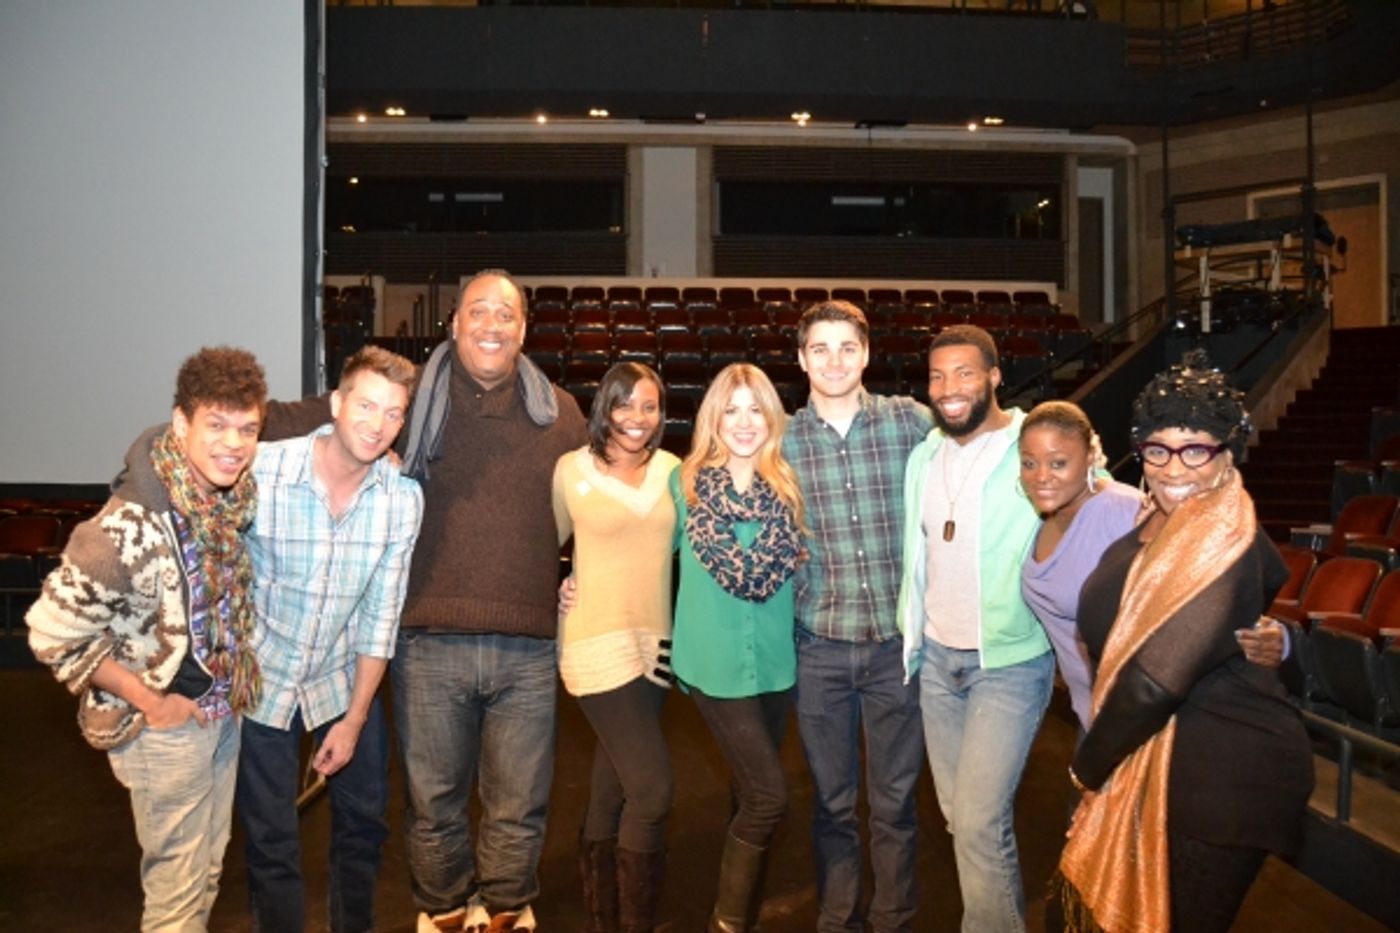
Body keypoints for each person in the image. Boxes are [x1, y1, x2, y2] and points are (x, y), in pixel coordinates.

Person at [1054, 350, 1314, 932]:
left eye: (1196, 449)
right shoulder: (1153, 520)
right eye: (1158, 449)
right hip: (1158, 760)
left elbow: (1153, 682)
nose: (1175, 468)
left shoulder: (1224, 540)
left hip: (1223, 778)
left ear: (1226, 454)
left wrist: (1086, 773)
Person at [27, 346, 267, 932]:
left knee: (206, 875)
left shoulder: (227, 501)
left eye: (248, 428)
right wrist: (150, 700)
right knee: (176, 896)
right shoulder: (123, 525)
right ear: (181, 422)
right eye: (216, 424)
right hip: (166, 730)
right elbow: (48, 634)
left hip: (219, 716)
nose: (233, 443)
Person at [394, 269, 587, 933]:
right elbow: (332, 420)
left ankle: (505, 905)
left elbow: (592, 505)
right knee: (433, 800)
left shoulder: (560, 413)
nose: (492, 324)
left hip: (527, 642)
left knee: (518, 801)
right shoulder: (410, 400)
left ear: (524, 329)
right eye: (478, 311)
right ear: (454, 323)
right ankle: (444, 906)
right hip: (426, 637)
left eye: (506, 314)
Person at [237, 345, 424, 933]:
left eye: (393, 413)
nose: (378, 424)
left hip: (343, 679)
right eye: (367, 406)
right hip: (263, 676)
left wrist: (353, 720)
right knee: (271, 840)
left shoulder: (402, 500)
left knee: (365, 822)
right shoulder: (261, 472)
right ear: (338, 404)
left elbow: (380, 617)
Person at [895, 324, 1054, 933]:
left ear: (993, 376)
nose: (948, 388)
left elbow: (1092, 494)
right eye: (937, 376)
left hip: (1008, 664)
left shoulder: (1031, 441)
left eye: (964, 373)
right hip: (937, 663)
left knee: (982, 823)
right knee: (962, 820)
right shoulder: (924, 455)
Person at [782, 300, 931, 933]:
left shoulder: (911, 422)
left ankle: (893, 917)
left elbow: (996, 442)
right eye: (820, 348)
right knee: (834, 802)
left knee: (895, 802)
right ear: (801, 359)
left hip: (895, 648)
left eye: (847, 347)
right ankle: (837, 915)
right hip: (819, 647)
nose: (835, 360)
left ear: (866, 354)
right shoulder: (779, 439)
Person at [1019, 399, 1286, 734]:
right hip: (1093, 717)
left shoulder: (1129, 511)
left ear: (1090, 457)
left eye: (1058, 463)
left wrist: (1279, 637)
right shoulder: (1036, 515)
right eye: (1029, 462)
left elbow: (1201, 596)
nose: (1042, 476)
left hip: (1146, 725)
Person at [671, 363, 805, 933]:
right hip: (713, 665)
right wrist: (571, 584)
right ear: (713, 418)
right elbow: (629, 544)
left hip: (775, 666)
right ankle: (726, 923)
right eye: (731, 409)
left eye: (755, 409)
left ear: (772, 416)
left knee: (747, 791)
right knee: (770, 796)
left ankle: (742, 913)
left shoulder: (791, 488)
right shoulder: (683, 487)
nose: (744, 422)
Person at [551, 362, 679, 933]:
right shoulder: (569, 470)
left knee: (612, 790)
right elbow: (539, 547)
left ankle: (604, 917)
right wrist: (554, 583)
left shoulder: (676, 472)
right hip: (592, 643)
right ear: (605, 406)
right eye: (625, 404)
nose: (636, 418)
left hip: (657, 652)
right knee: (652, 791)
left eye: (649, 407)